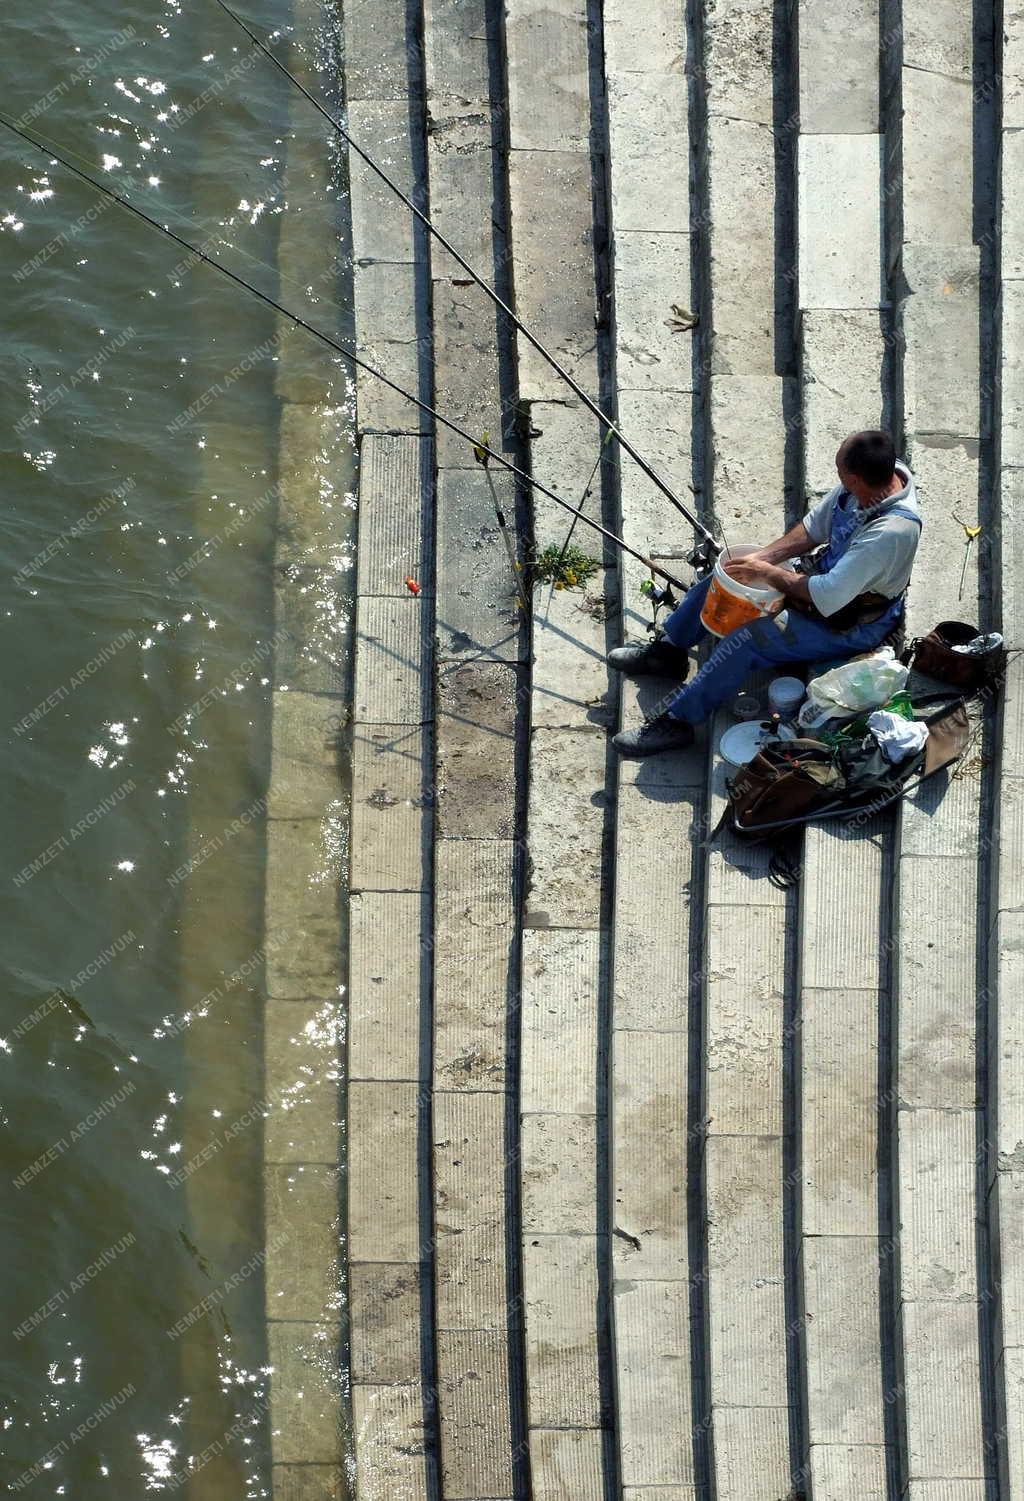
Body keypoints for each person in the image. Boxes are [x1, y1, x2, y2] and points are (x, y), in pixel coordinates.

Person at [610, 429, 922, 756]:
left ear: (856, 479)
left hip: (849, 623)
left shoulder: (892, 532)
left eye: (841, 473)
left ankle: (677, 721)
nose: (838, 479)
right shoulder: (876, 478)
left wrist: (766, 574)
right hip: (821, 579)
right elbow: (815, 526)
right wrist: (760, 560)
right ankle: (668, 652)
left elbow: (826, 596)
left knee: (748, 640)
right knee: (725, 581)